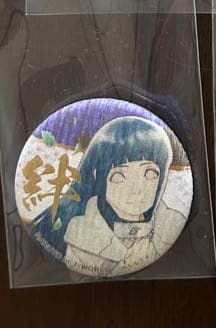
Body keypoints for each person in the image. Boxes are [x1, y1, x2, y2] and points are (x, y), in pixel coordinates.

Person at [34, 116, 185, 276]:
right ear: (97, 176)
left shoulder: (172, 223)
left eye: (149, 173)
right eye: (119, 176)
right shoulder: (78, 235)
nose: (137, 189)